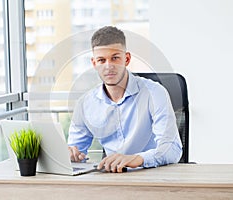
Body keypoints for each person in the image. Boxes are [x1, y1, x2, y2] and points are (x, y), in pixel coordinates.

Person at [68, 26, 182, 173]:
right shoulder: (85, 104)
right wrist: (71, 155)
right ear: (94, 63)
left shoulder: (154, 93)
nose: (108, 66)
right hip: (113, 179)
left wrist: (137, 159)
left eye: (115, 58)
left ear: (126, 59)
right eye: (101, 60)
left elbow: (172, 149)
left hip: (154, 176)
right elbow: (76, 153)